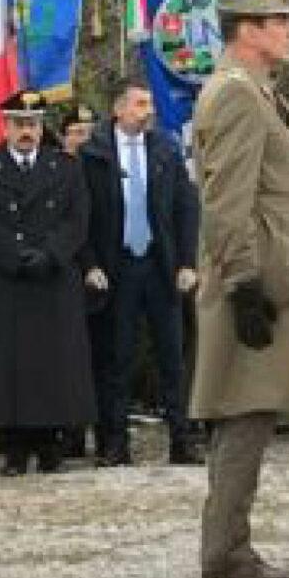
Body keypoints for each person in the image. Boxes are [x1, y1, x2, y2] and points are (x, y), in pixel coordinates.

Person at [190, 0, 289, 578]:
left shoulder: (254, 91)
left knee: (253, 409)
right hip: (255, 273)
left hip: (267, 269)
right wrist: (241, 283)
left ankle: (229, 545)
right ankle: (226, 550)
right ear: (248, 29)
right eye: (278, 21)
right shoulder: (236, 94)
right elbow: (226, 200)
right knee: (245, 409)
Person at [0, 91, 95, 474]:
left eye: (33, 124)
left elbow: (77, 219)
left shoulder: (65, 167)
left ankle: (50, 445)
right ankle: (14, 449)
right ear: (4, 126)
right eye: (18, 124)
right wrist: (13, 255)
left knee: (53, 366)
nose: (26, 131)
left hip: (52, 276)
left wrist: (49, 254)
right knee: (7, 368)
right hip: (4, 278)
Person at [79, 81, 203, 466]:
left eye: (149, 103)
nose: (147, 111)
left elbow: (186, 209)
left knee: (173, 356)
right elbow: (80, 217)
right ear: (118, 109)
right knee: (117, 358)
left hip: (160, 265)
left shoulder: (165, 148)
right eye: (139, 104)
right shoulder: (93, 154)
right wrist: (90, 264)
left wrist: (186, 262)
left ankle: (182, 438)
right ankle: (114, 443)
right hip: (116, 269)